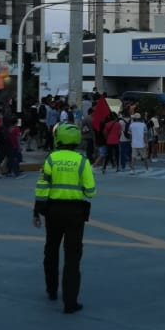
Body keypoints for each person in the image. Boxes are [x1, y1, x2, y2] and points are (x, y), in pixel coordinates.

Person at [33, 124, 96, 314]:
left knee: (51, 249)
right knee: (72, 256)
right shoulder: (82, 161)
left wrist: (36, 211)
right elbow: (91, 191)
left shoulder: (50, 159)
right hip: (75, 213)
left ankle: (51, 290)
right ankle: (70, 302)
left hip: (53, 211)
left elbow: (41, 187)